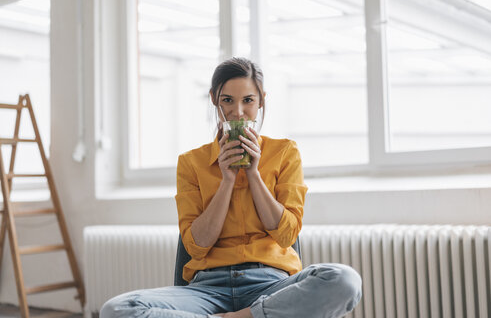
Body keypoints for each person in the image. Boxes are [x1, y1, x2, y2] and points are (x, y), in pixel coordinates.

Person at [100, 57, 362, 318]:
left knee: (344, 280)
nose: (238, 112)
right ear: (214, 99)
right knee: (117, 309)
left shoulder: (285, 152)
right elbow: (196, 247)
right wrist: (226, 180)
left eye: (248, 100)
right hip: (207, 289)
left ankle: (240, 317)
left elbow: (286, 235)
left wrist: (253, 174)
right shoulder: (191, 163)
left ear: (261, 101)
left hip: (271, 284)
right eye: (227, 100)